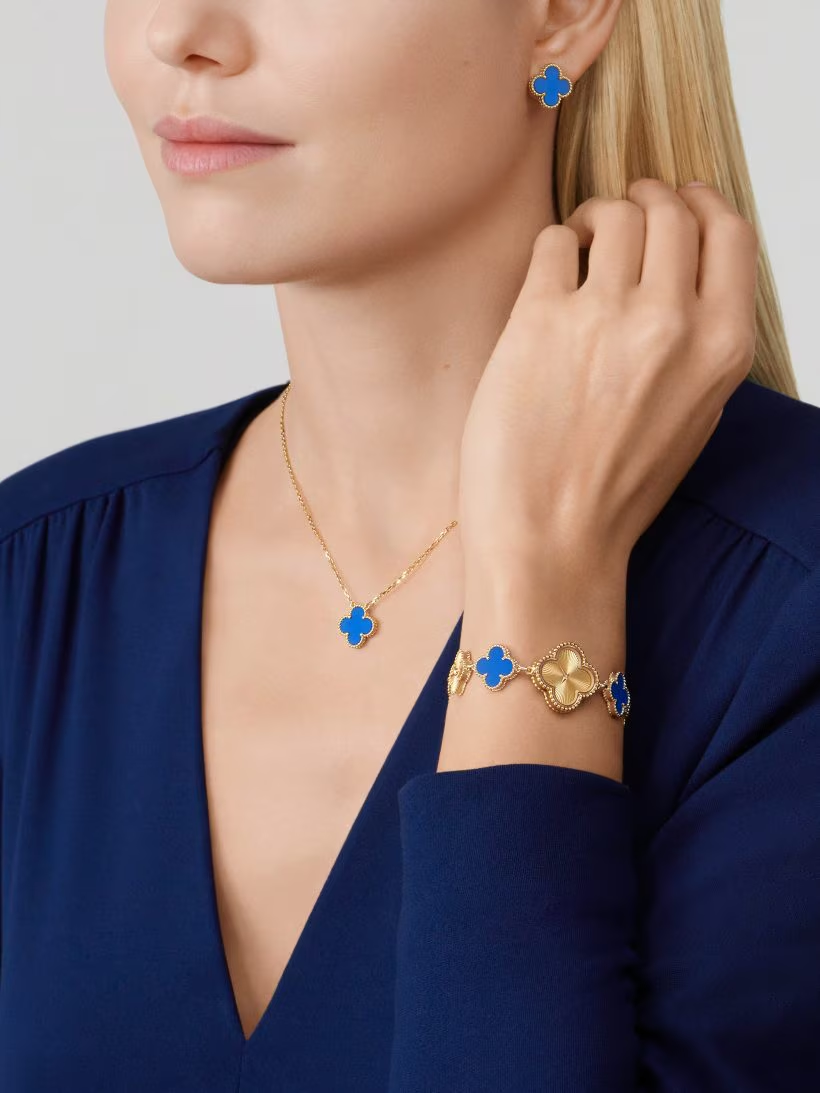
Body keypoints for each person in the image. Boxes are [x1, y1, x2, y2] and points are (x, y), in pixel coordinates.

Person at [0, 0, 818, 1089]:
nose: (180, 31)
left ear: (562, 15)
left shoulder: (790, 617)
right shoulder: (29, 574)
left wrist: (546, 584)